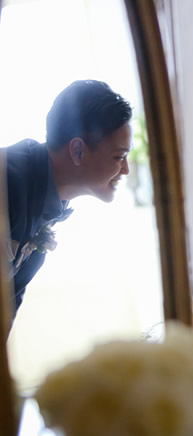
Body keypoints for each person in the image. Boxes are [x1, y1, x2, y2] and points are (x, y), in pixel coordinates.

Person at [2, 80, 133, 315]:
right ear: (78, 151)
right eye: (119, 157)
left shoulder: (46, 200)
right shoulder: (8, 183)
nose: (126, 170)